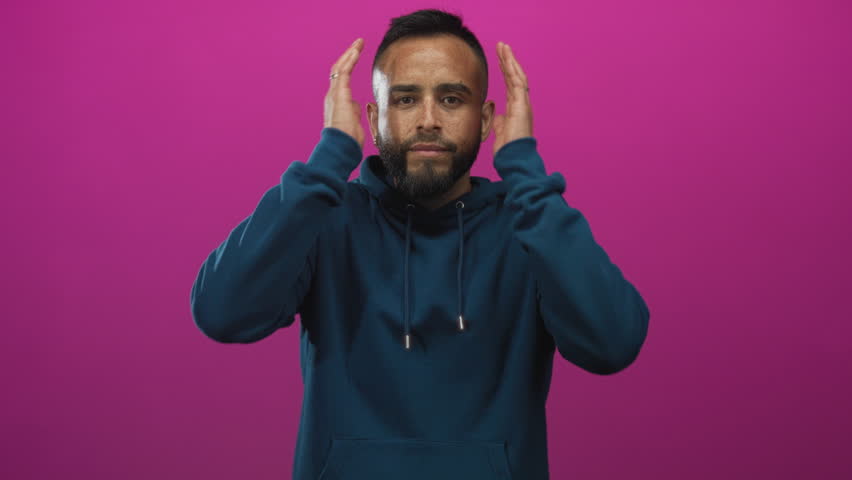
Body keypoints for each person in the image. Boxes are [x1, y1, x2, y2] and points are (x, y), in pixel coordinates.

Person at [190, 8, 650, 480]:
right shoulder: (324, 218)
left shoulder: (531, 227)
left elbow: (613, 343)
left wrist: (525, 172)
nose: (428, 120)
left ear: (488, 118)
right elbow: (222, 313)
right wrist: (329, 156)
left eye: (452, 100)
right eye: (406, 100)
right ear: (373, 116)